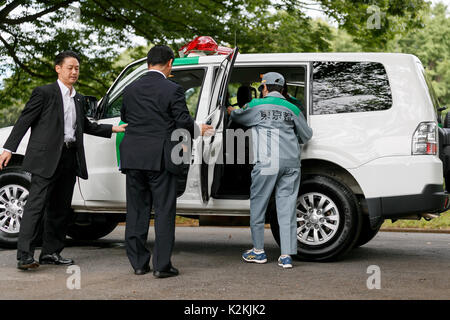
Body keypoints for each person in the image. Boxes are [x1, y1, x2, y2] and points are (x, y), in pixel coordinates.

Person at [0, 51, 127, 270]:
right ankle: (25, 256)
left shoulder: (78, 98)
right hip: (45, 159)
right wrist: (9, 148)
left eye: (77, 68)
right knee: (36, 206)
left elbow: (85, 125)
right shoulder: (44, 93)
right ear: (58, 69)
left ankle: (51, 253)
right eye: (70, 67)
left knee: (60, 209)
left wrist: (112, 128)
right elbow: (24, 120)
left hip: (69, 157)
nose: (74, 72)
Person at [119, 45, 212, 277]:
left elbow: (124, 117)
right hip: (161, 158)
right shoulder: (173, 89)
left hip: (132, 157)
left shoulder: (130, 88)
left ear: (148, 63)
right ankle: (162, 266)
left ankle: (139, 263)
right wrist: (199, 129)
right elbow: (182, 122)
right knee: (163, 211)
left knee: (136, 211)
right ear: (170, 63)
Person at [227, 72, 312, 269]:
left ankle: (258, 251)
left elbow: (238, 116)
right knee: (287, 208)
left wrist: (231, 110)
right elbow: (306, 135)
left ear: (264, 88)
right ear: (282, 89)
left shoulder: (256, 105)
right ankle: (286, 255)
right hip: (291, 163)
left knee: (259, 205)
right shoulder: (292, 107)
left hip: (267, 162)